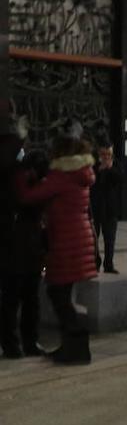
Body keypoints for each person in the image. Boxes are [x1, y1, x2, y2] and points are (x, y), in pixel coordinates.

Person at [16, 132, 97, 364]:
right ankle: (74, 347)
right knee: (62, 296)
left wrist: (22, 175)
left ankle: (77, 349)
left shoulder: (62, 175)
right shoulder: (80, 173)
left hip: (66, 240)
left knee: (58, 295)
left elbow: (29, 196)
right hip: (78, 238)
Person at [2, 136, 46, 359]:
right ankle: (17, 343)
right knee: (19, 298)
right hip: (17, 248)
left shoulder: (23, 178)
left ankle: (21, 343)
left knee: (24, 298)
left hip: (26, 248)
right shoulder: (16, 178)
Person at [90, 144, 123, 274]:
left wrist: (109, 169)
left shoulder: (115, 165)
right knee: (94, 238)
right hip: (96, 208)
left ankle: (108, 264)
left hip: (110, 209)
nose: (106, 157)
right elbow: (90, 182)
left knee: (110, 239)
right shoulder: (93, 165)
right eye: (104, 154)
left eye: (109, 154)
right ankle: (95, 262)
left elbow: (120, 179)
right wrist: (99, 170)